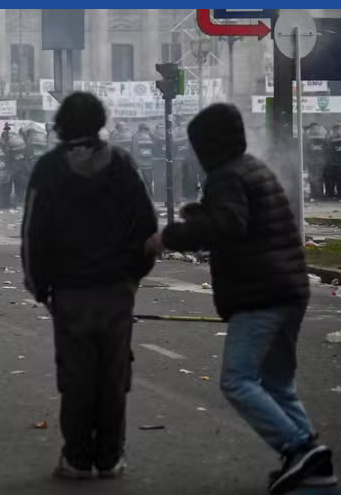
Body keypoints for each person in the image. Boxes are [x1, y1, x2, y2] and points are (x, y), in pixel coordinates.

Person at [146, 103, 335, 494]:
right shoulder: (251, 168)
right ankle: (316, 467)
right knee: (277, 383)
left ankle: (298, 448)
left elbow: (230, 224)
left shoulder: (226, 175)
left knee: (238, 380)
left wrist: (171, 237)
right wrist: (202, 213)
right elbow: (240, 218)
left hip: (261, 293)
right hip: (289, 289)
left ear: (208, 146)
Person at [21, 92, 157, 480]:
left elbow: (33, 233)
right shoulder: (122, 163)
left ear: (61, 124)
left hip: (69, 292)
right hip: (116, 289)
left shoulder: (48, 168)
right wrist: (134, 276)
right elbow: (146, 225)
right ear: (100, 121)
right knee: (113, 376)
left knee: (77, 376)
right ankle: (110, 456)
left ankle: (78, 458)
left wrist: (40, 287)